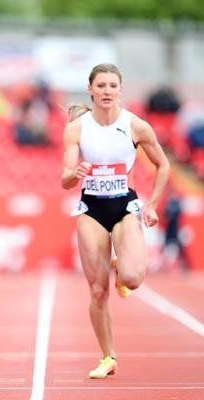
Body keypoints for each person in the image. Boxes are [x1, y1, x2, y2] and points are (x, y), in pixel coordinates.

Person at [61, 63, 170, 379]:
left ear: (120, 89)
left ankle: (122, 271)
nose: (107, 91)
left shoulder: (136, 126)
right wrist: (75, 173)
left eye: (112, 86)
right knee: (97, 290)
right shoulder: (77, 128)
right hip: (91, 210)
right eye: (101, 86)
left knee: (133, 279)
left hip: (124, 207)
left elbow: (163, 165)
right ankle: (108, 356)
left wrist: (152, 206)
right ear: (91, 89)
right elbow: (65, 179)